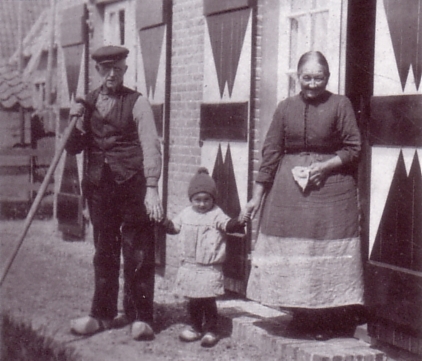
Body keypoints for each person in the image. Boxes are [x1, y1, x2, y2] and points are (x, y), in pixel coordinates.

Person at [243, 51, 364, 341]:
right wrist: (257, 196)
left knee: (322, 253)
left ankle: (326, 319)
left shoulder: (340, 104)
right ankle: (300, 316)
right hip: (290, 193)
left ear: (328, 77)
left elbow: (354, 148)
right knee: (296, 255)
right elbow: (271, 152)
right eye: (306, 77)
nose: (312, 84)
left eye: (318, 78)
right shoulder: (285, 108)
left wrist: (326, 166)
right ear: (298, 77)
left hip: (331, 191)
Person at [66, 45, 163, 340]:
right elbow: (73, 148)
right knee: (104, 252)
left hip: (133, 186)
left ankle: (140, 316)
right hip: (99, 188)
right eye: (107, 70)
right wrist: (74, 121)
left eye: (118, 69)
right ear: (97, 71)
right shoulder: (88, 103)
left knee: (137, 251)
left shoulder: (137, 102)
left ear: (124, 70)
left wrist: (152, 188)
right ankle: (102, 315)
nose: (112, 75)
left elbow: (151, 145)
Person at [162, 167, 245, 347]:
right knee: (193, 301)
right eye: (197, 200)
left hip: (209, 267)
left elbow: (227, 225)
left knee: (208, 301)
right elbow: (174, 228)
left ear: (212, 199)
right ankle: (195, 327)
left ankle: (211, 330)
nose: (201, 204)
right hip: (190, 266)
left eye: (206, 200)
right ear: (191, 199)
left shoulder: (216, 213)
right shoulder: (185, 213)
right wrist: (162, 221)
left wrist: (239, 221)